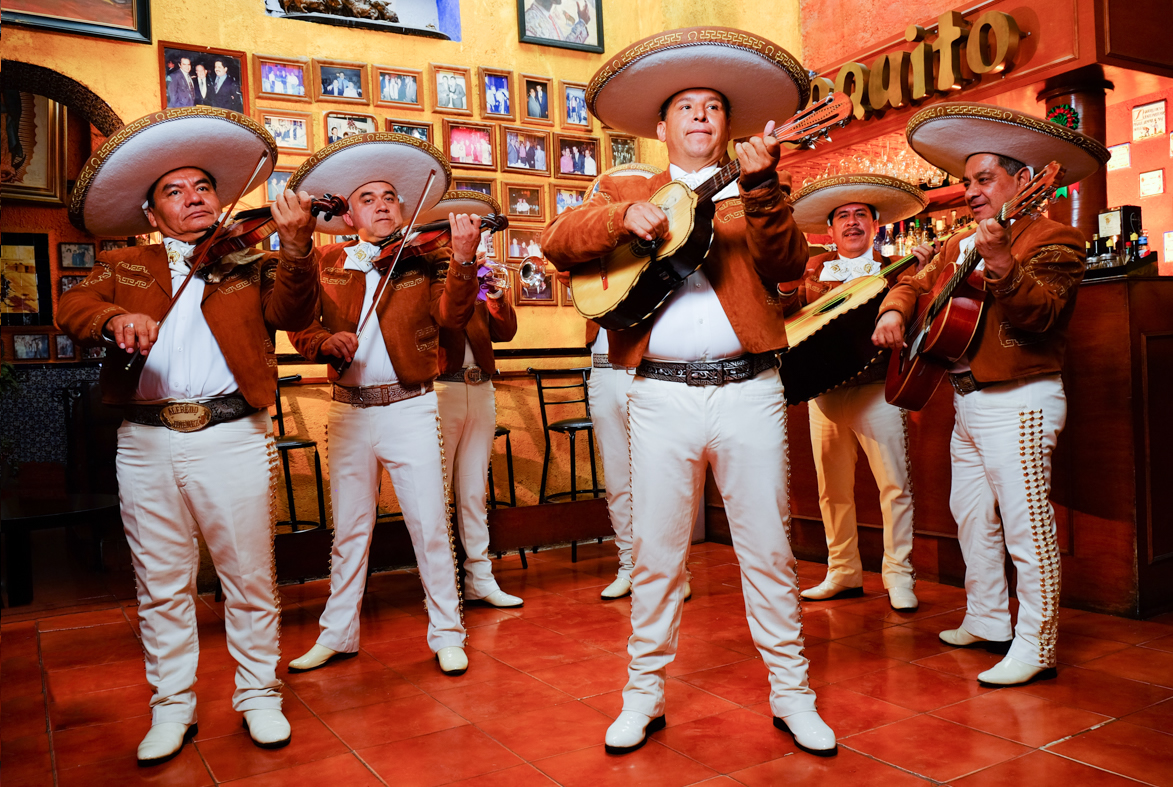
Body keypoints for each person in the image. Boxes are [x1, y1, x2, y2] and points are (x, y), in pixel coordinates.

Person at [542, 27, 836, 756]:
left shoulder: (756, 186)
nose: (701, 115)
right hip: (658, 394)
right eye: (686, 107)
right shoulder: (623, 186)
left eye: (712, 106)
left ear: (728, 125)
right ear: (661, 125)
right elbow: (558, 238)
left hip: (748, 389)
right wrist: (621, 218)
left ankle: (791, 694)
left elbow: (787, 262)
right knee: (656, 552)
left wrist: (762, 183)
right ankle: (643, 694)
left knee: (766, 549)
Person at [56, 107, 321, 764]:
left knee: (249, 574)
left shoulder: (248, 261)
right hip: (144, 441)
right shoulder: (125, 262)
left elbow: (297, 311)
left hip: (231, 433)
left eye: (201, 186)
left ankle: (259, 692)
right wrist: (116, 316)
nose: (193, 197)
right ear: (153, 215)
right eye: (173, 191)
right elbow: (73, 308)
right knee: (161, 580)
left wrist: (295, 246)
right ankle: (172, 704)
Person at [872, 102, 1109, 686]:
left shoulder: (1057, 240)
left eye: (984, 180)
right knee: (971, 515)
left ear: (1022, 183)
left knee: (1028, 526)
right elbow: (912, 280)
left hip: (1021, 400)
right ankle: (987, 619)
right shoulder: (959, 244)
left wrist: (1002, 259)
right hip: (968, 399)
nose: (971, 191)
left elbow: (1040, 317)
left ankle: (1037, 642)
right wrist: (895, 309)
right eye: (967, 180)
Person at [286, 133, 481, 679]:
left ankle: (448, 633)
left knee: (429, 525)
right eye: (368, 198)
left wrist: (463, 260)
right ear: (348, 216)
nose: (382, 205)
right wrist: (323, 344)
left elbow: (454, 318)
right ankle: (338, 634)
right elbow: (301, 323)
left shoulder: (427, 257)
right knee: (349, 530)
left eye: (390, 197)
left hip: (411, 408)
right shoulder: (324, 262)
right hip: (347, 409)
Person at [779, 174, 926, 611]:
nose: (852, 222)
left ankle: (899, 575)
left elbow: (908, 294)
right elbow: (784, 316)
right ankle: (843, 571)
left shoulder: (894, 269)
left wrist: (918, 275)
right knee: (832, 489)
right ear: (830, 229)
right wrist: (786, 287)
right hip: (822, 395)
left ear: (875, 225)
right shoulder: (810, 271)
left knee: (894, 485)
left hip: (876, 390)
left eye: (861, 215)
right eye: (843, 216)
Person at [428, 194, 523, 609]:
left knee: (473, 490)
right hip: (440, 387)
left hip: (480, 385)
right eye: (469, 233)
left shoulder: (485, 276)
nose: (478, 241)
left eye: (481, 234)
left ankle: (479, 578)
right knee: (435, 491)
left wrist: (499, 298)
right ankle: (442, 582)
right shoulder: (432, 274)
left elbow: (506, 335)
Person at [525, 0, 590, 43]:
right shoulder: (531, 19)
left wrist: (582, 21)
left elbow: (564, 47)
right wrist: (582, 22)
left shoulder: (547, 17)